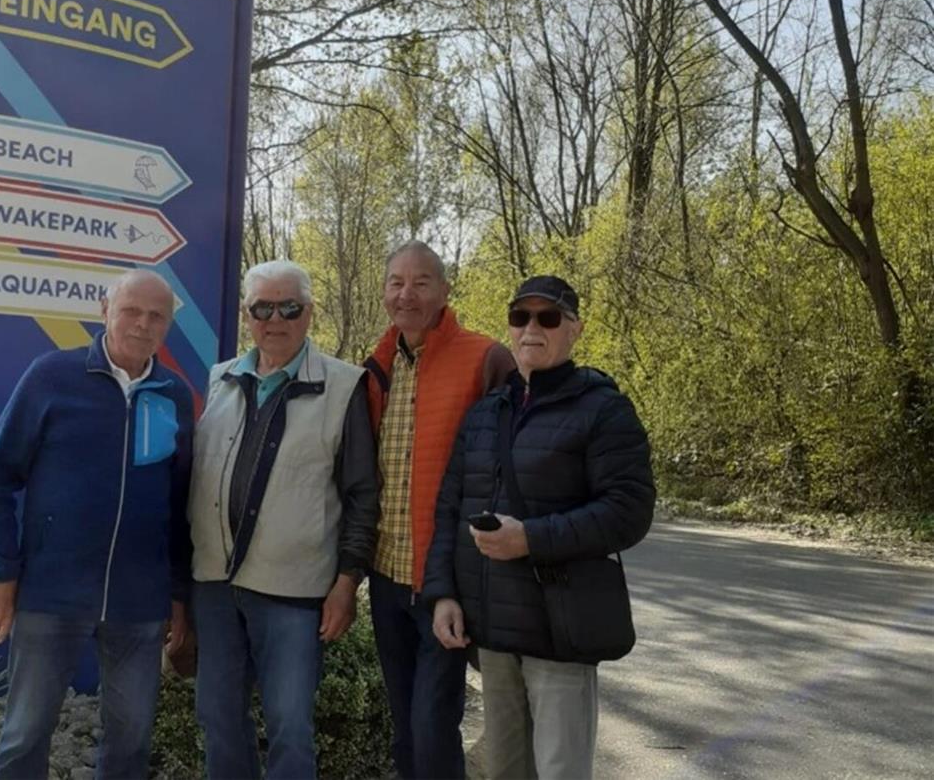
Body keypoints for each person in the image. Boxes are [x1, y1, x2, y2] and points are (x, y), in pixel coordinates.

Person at [424, 275, 655, 780]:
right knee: (506, 771)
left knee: (559, 771)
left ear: (575, 329)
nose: (532, 328)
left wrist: (530, 538)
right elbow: (448, 510)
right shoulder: (486, 413)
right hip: (494, 633)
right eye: (520, 317)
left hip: (559, 629)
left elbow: (629, 511)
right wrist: (443, 594)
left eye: (548, 317)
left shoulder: (603, 409)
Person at [0, 269, 194, 780]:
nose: (142, 324)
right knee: (25, 733)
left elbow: (181, 504)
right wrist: (1, 572)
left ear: (168, 325)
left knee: (131, 739)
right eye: (132, 310)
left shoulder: (174, 395)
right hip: (52, 593)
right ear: (104, 310)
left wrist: (178, 593)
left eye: (156, 316)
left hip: (140, 603)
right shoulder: (52, 377)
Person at [188, 259, 380, 780]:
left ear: (310, 312)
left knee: (291, 727)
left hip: (294, 592)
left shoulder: (344, 386)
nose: (276, 319)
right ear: (247, 315)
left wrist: (347, 582)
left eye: (289, 307)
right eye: (262, 308)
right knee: (218, 716)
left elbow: (363, 496)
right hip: (215, 586)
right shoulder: (221, 379)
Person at [362, 241, 514, 779]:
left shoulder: (484, 358)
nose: (407, 294)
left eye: (422, 282)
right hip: (385, 578)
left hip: (447, 582)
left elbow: (514, 465)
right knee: (405, 726)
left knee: (433, 727)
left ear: (445, 291)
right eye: (396, 282)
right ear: (384, 292)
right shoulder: (376, 369)